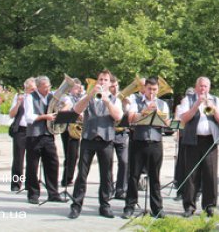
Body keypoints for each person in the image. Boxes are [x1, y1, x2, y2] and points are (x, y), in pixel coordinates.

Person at [68, 70, 123, 219]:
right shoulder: (89, 97)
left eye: (106, 80)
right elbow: (76, 110)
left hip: (106, 140)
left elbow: (118, 116)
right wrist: (89, 95)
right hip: (88, 139)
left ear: (110, 83)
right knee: (82, 174)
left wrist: (106, 100)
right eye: (100, 79)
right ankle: (76, 206)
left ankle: (105, 205)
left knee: (106, 175)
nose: (102, 82)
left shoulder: (115, 99)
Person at [177, 76, 219, 218]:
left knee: (210, 174)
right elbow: (184, 119)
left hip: (209, 141)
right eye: (200, 86)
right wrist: (196, 105)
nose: (202, 89)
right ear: (196, 86)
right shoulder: (188, 100)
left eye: (205, 86)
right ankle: (189, 206)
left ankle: (210, 205)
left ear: (209, 88)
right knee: (191, 174)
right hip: (193, 141)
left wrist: (211, 106)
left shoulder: (215, 100)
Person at [122, 77, 170, 219]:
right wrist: (145, 111)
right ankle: (129, 206)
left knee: (155, 177)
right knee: (133, 175)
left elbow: (167, 123)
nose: (152, 92)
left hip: (155, 142)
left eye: (155, 90)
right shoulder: (135, 99)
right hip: (139, 141)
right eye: (149, 89)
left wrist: (163, 119)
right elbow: (130, 118)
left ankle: (157, 208)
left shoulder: (162, 104)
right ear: (145, 89)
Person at [23, 75, 63, 204]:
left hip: (48, 135)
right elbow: (28, 117)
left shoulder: (52, 97)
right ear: (38, 87)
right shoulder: (30, 97)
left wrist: (62, 110)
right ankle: (33, 194)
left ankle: (53, 193)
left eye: (49, 87)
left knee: (53, 163)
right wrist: (45, 116)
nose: (48, 89)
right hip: (34, 136)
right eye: (45, 87)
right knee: (32, 166)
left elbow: (63, 106)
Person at [9, 77, 36, 192]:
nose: (30, 91)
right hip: (21, 130)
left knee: (33, 159)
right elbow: (11, 114)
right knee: (18, 159)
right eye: (28, 89)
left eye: (32, 89)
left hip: (33, 130)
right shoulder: (19, 96)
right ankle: (16, 184)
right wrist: (19, 103)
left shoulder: (37, 99)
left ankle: (30, 183)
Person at [60, 78, 83, 188]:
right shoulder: (66, 98)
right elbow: (63, 110)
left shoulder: (80, 97)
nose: (78, 90)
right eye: (76, 88)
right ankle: (66, 179)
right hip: (67, 128)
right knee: (69, 155)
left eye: (79, 87)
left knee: (74, 155)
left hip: (76, 128)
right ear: (70, 89)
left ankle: (69, 178)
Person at [109, 76, 129, 200]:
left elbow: (128, 117)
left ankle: (121, 190)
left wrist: (126, 106)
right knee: (108, 163)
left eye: (116, 85)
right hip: (109, 133)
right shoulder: (104, 98)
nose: (115, 88)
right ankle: (109, 188)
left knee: (124, 161)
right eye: (112, 85)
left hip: (122, 134)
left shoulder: (123, 98)